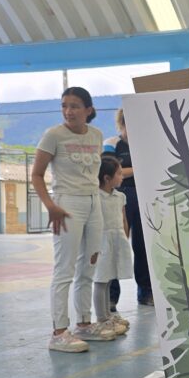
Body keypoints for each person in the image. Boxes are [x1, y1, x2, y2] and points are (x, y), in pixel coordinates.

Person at [31, 87, 116, 353]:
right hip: (67, 203)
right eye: (64, 105)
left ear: (89, 110)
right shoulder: (53, 135)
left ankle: (83, 323)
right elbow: (36, 174)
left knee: (89, 264)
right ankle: (58, 332)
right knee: (64, 268)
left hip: (94, 203)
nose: (69, 111)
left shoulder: (97, 134)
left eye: (75, 106)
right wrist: (51, 206)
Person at [103, 108, 153, 307]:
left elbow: (148, 167)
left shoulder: (145, 144)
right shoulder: (111, 143)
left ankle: (146, 292)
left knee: (142, 247)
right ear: (121, 124)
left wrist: (126, 171)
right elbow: (108, 169)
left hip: (142, 196)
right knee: (114, 246)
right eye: (128, 124)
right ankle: (110, 297)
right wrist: (138, 168)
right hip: (118, 197)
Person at [93, 154, 131, 335]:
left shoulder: (120, 196)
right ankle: (101, 318)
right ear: (107, 178)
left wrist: (124, 236)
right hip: (102, 241)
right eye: (119, 174)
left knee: (109, 278)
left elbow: (123, 219)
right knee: (100, 280)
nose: (122, 176)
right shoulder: (95, 197)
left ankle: (108, 316)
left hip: (117, 239)